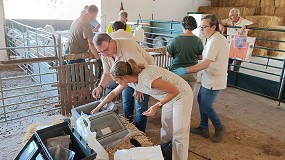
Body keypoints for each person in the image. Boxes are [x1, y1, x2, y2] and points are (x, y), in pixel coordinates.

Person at [91, 59, 193, 160]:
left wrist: (157, 105)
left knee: (179, 132)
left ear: (124, 77)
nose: (117, 83)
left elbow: (175, 91)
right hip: (167, 95)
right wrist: (98, 107)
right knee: (167, 127)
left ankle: (179, 157)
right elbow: (113, 93)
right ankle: (166, 153)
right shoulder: (129, 80)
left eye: (117, 80)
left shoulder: (147, 78)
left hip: (181, 94)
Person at [172, 14, 229, 143]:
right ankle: (203, 128)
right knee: (200, 100)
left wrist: (185, 70)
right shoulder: (211, 38)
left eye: (204, 27)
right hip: (208, 77)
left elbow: (205, 63)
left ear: (214, 27)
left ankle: (219, 127)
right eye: (201, 27)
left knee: (206, 105)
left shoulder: (216, 40)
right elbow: (203, 60)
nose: (202, 30)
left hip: (214, 79)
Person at [91, 33, 154, 132]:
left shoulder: (128, 48)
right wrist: (100, 87)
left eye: (106, 50)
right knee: (126, 103)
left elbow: (143, 68)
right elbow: (107, 73)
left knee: (140, 106)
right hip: (127, 78)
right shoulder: (104, 53)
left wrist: (139, 88)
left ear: (112, 41)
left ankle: (140, 133)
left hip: (144, 76)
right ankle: (130, 129)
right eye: (100, 52)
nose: (104, 54)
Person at [167, 15, 203, 91]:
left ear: (183, 25)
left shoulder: (175, 40)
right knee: (189, 93)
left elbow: (169, 55)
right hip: (192, 71)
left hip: (178, 71)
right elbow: (200, 57)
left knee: (177, 93)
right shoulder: (198, 40)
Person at [104, 21, 136, 95]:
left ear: (113, 29)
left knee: (127, 101)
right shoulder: (130, 35)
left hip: (129, 75)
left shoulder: (110, 37)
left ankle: (107, 104)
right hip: (129, 75)